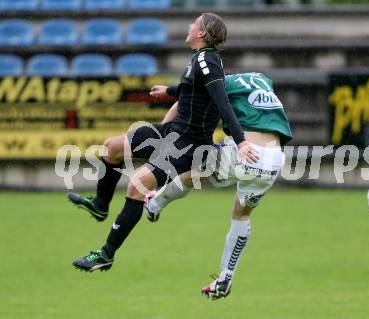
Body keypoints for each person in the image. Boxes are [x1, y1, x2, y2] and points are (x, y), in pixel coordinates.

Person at [70, 13, 258, 272]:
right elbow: (193, 90)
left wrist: (241, 142)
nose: (190, 25)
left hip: (186, 143)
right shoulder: (200, 60)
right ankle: (101, 206)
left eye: (195, 23)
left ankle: (106, 254)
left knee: (136, 187)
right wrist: (168, 91)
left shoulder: (208, 61)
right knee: (112, 148)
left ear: (201, 34)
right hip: (172, 130)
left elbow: (221, 101)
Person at [144, 72, 293, 300]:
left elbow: (189, 97)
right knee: (241, 215)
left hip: (245, 152)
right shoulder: (264, 81)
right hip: (274, 159)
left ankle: (154, 204)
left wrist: (168, 96)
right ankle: (225, 277)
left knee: (190, 174)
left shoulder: (225, 83)